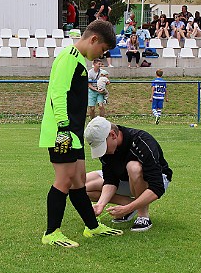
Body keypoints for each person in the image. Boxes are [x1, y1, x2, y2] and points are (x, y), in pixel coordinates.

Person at [39, 20, 121, 248]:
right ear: (93, 39)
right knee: (64, 180)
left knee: (79, 181)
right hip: (62, 132)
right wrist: (63, 127)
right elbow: (58, 92)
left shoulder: (78, 60)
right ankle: (51, 232)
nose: (101, 55)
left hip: (72, 131)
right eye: (102, 49)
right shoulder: (68, 57)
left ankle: (92, 227)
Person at [84, 116, 173, 232]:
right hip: (125, 179)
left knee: (134, 167)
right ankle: (130, 206)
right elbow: (110, 180)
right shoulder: (107, 150)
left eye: (102, 146)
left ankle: (143, 216)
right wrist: (101, 204)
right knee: (82, 186)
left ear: (113, 135)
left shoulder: (142, 141)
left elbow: (157, 186)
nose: (102, 151)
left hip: (157, 180)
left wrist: (126, 209)